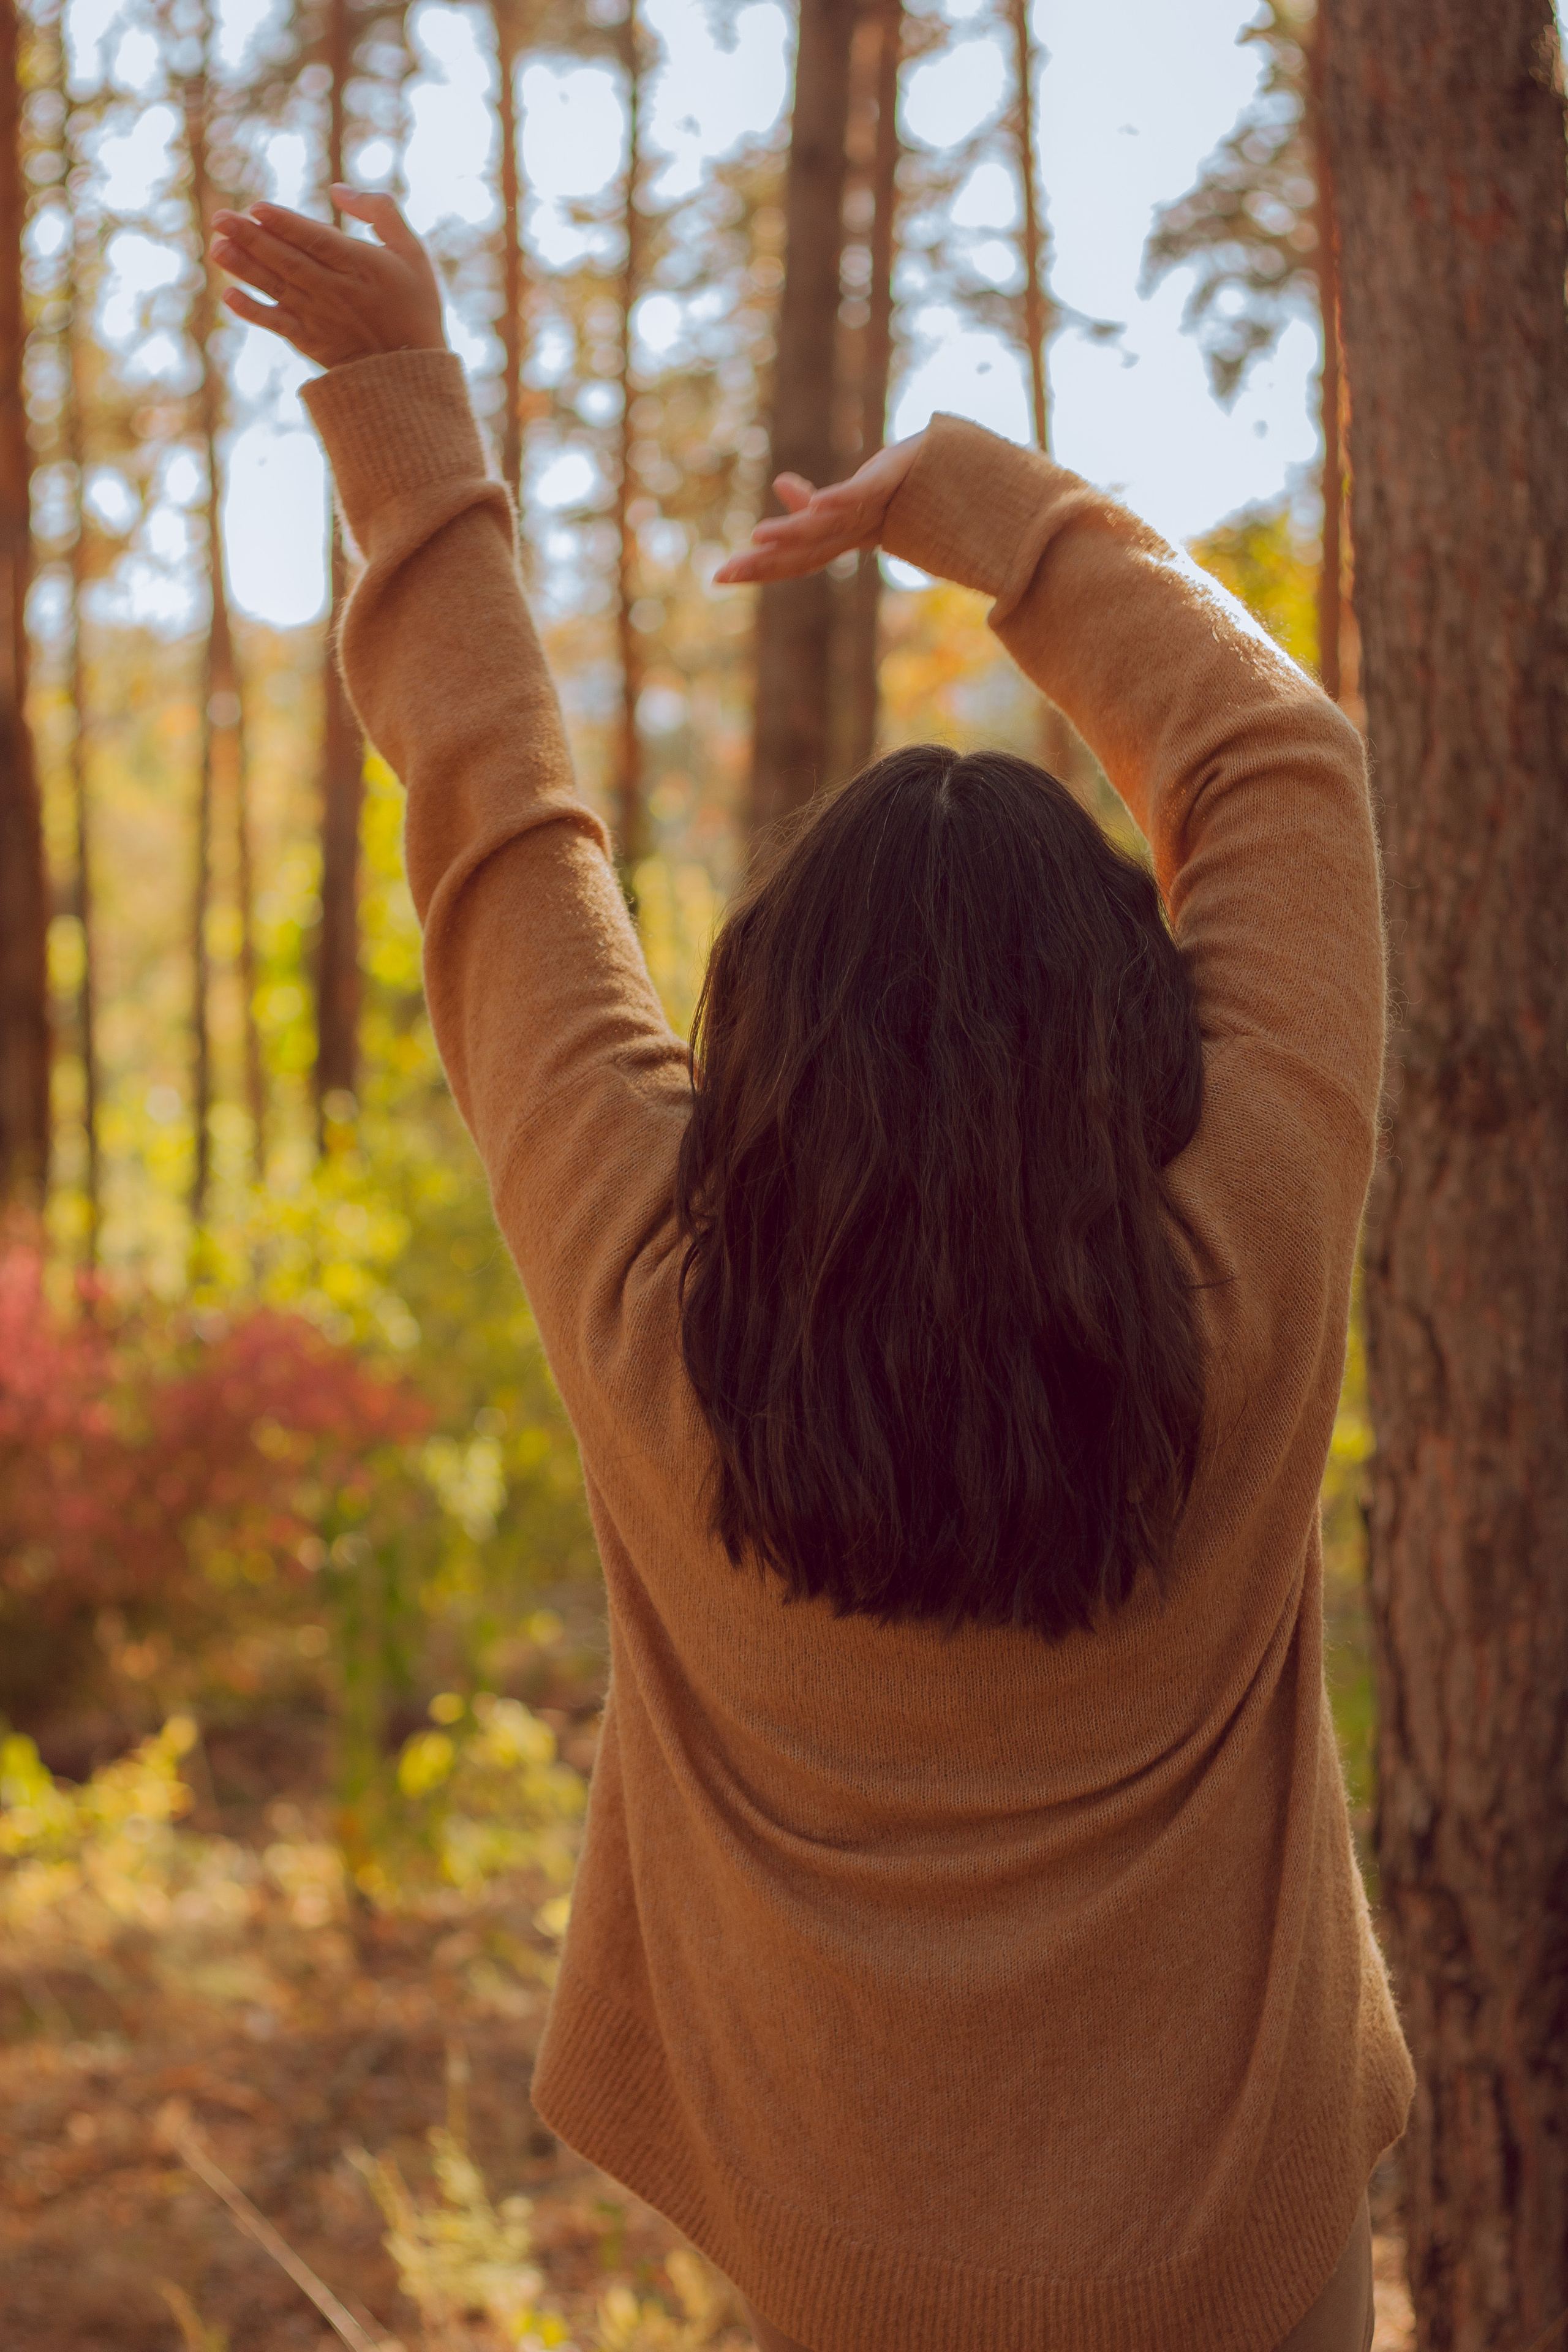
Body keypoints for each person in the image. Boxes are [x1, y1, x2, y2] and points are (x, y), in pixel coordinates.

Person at [209, 189, 1413, 2352]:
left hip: (848, 2269)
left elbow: (505, 834)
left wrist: (406, 420)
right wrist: (998, 518)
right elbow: (1283, 772)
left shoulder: (671, 1321)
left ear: (761, 1055)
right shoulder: (1241, 1261)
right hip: (1246, 2264)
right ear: (1137, 1046)